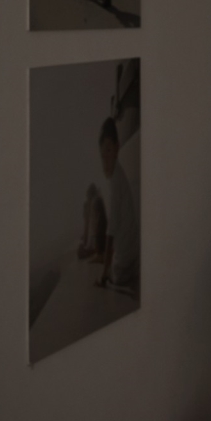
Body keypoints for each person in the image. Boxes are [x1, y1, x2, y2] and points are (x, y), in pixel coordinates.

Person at [94, 117, 139, 291]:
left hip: (126, 259)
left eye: (109, 150)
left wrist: (104, 273)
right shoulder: (117, 175)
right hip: (131, 252)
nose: (105, 157)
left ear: (117, 147)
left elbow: (111, 231)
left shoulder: (115, 182)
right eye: (102, 153)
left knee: (114, 277)